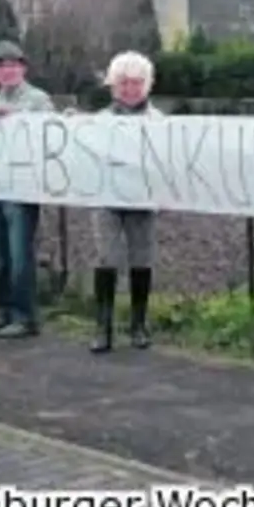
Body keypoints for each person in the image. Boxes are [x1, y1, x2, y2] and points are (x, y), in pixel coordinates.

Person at [0, 40, 55, 338]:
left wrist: (16, 120)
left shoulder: (38, 99)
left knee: (19, 253)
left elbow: (49, 132)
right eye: (1, 66)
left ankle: (25, 317)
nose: (7, 70)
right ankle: (1, 310)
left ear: (23, 67)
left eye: (12, 64)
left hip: (22, 187)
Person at [89, 51, 161, 354]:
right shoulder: (99, 121)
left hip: (143, 200)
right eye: (123, 83)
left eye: (136, 83)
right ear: (113, 85)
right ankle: (103, 327)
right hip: (107, 198)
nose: (130, 89)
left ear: (147, 85)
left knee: (141, 258)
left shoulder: (159, 122)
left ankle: (138, 324)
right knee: (106, 257)